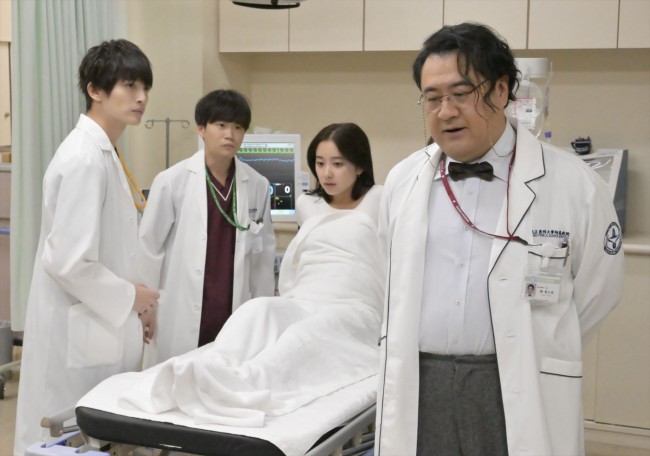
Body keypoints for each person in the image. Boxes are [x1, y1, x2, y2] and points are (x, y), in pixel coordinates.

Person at [375, 23, 624, 456]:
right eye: (432, 98)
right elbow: (387, 275)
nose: (445, 111)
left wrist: (538, 339)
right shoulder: (403, 180)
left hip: (517, 382)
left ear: (501, 89)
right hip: (420, 383)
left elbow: (598, 290)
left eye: (460, 93)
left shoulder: (573, 183)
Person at [14, 39, 159, 455]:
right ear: (95, 90)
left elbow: (113, 249)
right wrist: (132, 298)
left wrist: (138, 305)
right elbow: (68, 262)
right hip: (76, 337)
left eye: (145, 87)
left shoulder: (105, 152)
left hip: (100, 327)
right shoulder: (83, 158)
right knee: (62, 440)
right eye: (129, 85)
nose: (141, 97)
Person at [136, 89, 276, 368]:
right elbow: (149, 248)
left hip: (232, 308)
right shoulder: (172, 181)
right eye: (221, 125)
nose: (230, 135)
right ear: (201, 128)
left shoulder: (257, 185)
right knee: (177, 378)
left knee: (225, 375)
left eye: (238, 127)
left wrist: (262, 312)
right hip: (182, 308)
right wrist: (146, 307)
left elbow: (262, 257)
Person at [297, 122, 381, 225]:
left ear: (359, 166)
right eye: (320, 163)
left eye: (337, 164)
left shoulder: (379, 199)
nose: (327, 174)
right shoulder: (306, 203)